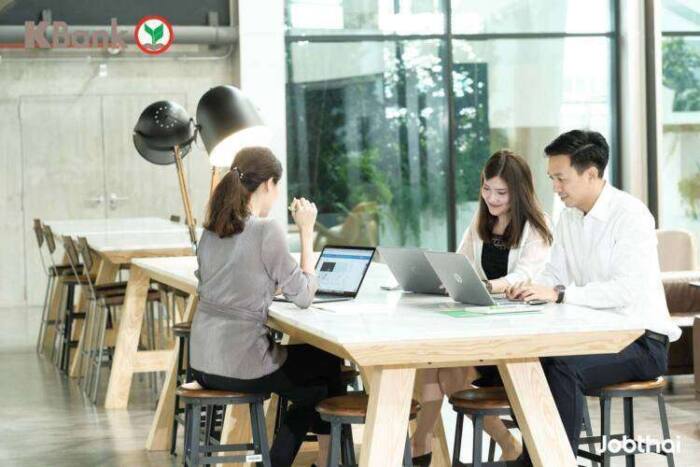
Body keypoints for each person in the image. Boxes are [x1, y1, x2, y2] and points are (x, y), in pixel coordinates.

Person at [507, 130, 682, 458]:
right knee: (527, 363)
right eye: (552, 178)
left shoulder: (631, 216)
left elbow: (624, 290)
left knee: (562, 368)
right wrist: (530, 288)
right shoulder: (569, 217)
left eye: (561, 178)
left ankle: (556, 459)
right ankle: (535, 457)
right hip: (594, 336)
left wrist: (559, 294)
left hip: (642, 341)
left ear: (591, 174)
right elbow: (554, 274)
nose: (555, 188)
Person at [189, 147, 344, 467]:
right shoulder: (265, 229)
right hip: (241, 364)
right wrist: (306, 232)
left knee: (316, 380)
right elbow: (304, 296)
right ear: (268, 184)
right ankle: (308, 461)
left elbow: (217, 283)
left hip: (202, 363)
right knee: (327, 365)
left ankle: (323, 461)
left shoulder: (212, 230)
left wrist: (266, 285)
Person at [411, 150, 553, 465]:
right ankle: (426, 443)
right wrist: (444, 279)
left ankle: (422, 444)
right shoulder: (481, 222)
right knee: (435, 365)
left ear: (519, 192)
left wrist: (488, 286)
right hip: (483, 326)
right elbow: (460, 264)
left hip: (519, 335)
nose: (491, 198)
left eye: (501, 192)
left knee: (443, 370)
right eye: (487, 189)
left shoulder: (536, 226)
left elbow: (524, 275)